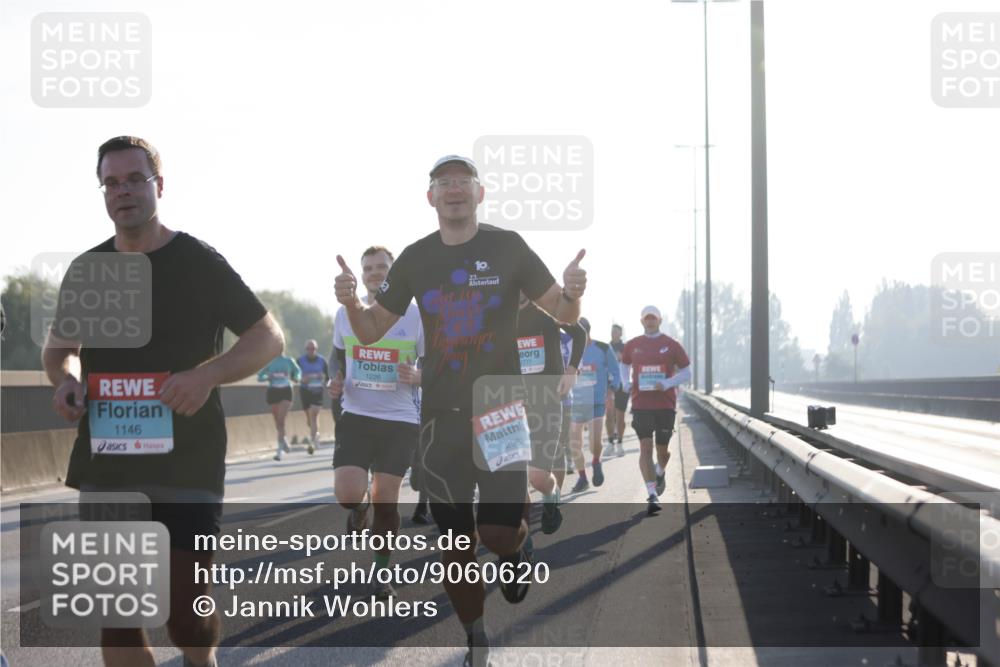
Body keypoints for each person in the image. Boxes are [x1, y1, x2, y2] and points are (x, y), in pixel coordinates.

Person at [333, 155, 586, 667]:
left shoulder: (507, 246)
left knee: (495, 532)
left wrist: (574, 293)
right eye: (443, 183)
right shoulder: (415, 258)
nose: (453, 190)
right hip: (439, 418)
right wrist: (352, 303)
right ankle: (475, 635)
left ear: (480, 193)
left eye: (462, 182)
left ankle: (515, 551)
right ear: (430, 197)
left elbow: (561, 312)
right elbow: (369, 331)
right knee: (454, 543)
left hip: (499, 408)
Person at [42, 136, 283, 667]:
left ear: (159, 186)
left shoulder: (198, 261)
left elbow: (267, 337)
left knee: (184, 613)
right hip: (108, 461)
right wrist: (67, 380)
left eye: (134, 179)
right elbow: (61, 349)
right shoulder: (89, 270)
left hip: (187, 459)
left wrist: (205, 377)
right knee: (119, 615)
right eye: (111, 182)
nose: (122, 191)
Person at [329, 245, 424, 601]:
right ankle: (358, 510)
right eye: (368, 268)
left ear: (393, 271)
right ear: (361, 274)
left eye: (381, 267)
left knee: (387, 500)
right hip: (356, 415)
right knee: (347, 494)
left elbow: (436, 363)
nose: (374, 273)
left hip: (399, 420)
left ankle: (382, 571)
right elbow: (336, 357)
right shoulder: (346, 313)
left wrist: (418, 375)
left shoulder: (417, 316)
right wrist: (334, 380)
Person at [516, 292, 586, 535]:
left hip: (548, 400)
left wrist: (572, 370)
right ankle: (522, 543)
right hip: (512, 402)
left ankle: (551, 498)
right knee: (511, 478)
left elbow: (579, 334)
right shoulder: (499, 314)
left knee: (537, 477)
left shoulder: (547, 311)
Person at [620, 305, 691, 516]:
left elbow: (687, 372)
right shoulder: (633, 345)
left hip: (665, 405)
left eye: (653, 319)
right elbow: (624, 366)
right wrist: (625, 382)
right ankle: (652, 494)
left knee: (663, 452)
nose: (650, 322)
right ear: (641, 321)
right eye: (646, 319)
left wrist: (668, 383)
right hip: (641, 404)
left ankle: (660, 472)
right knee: (645, 448)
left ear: (659, 320)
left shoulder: (671, 345)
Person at [567, 318, 621, 494]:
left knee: (594, 441)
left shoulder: (603, 348)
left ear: (587, 333)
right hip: (575, 402)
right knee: (575, 443)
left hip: (597, 401)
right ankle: (582, 477)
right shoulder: (567, 350)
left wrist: (611, 391)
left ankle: (596, 461)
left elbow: (615, 372)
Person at [257, 354, 302, 461]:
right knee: (278, 422)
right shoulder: (269, 361)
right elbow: (260, 376)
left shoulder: (289, 360)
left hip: (286, 390)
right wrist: (267, 377)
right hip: (273, 391)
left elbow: (298, 372)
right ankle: (284, 441)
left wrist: (296, 378)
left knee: (281, 421)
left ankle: (279, 451)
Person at [297, 339, 329, 453]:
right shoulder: (300, 361)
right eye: (309, 349)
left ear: (316, 349)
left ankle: (313, 442)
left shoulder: (322, 361)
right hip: (305, 391)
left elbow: (329, 377)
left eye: (313, 349)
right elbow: (294, 376)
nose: (311, 351)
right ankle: (316, 435)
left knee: (314, 414)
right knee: (309, 419)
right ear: (306, 350)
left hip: (317, 391)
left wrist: (326, 382)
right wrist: (301, 379)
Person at [605, 323, 629, 457]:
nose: (613, 334)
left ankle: (620, 443)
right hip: (609, 385)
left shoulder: (626, 348)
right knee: (609, 415)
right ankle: (610, 443)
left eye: (616, 332)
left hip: (622, 385)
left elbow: (631, 363)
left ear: (620, 334)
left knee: (620, 417)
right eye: (612, 331)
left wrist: (622, 358)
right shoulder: (606, 348)